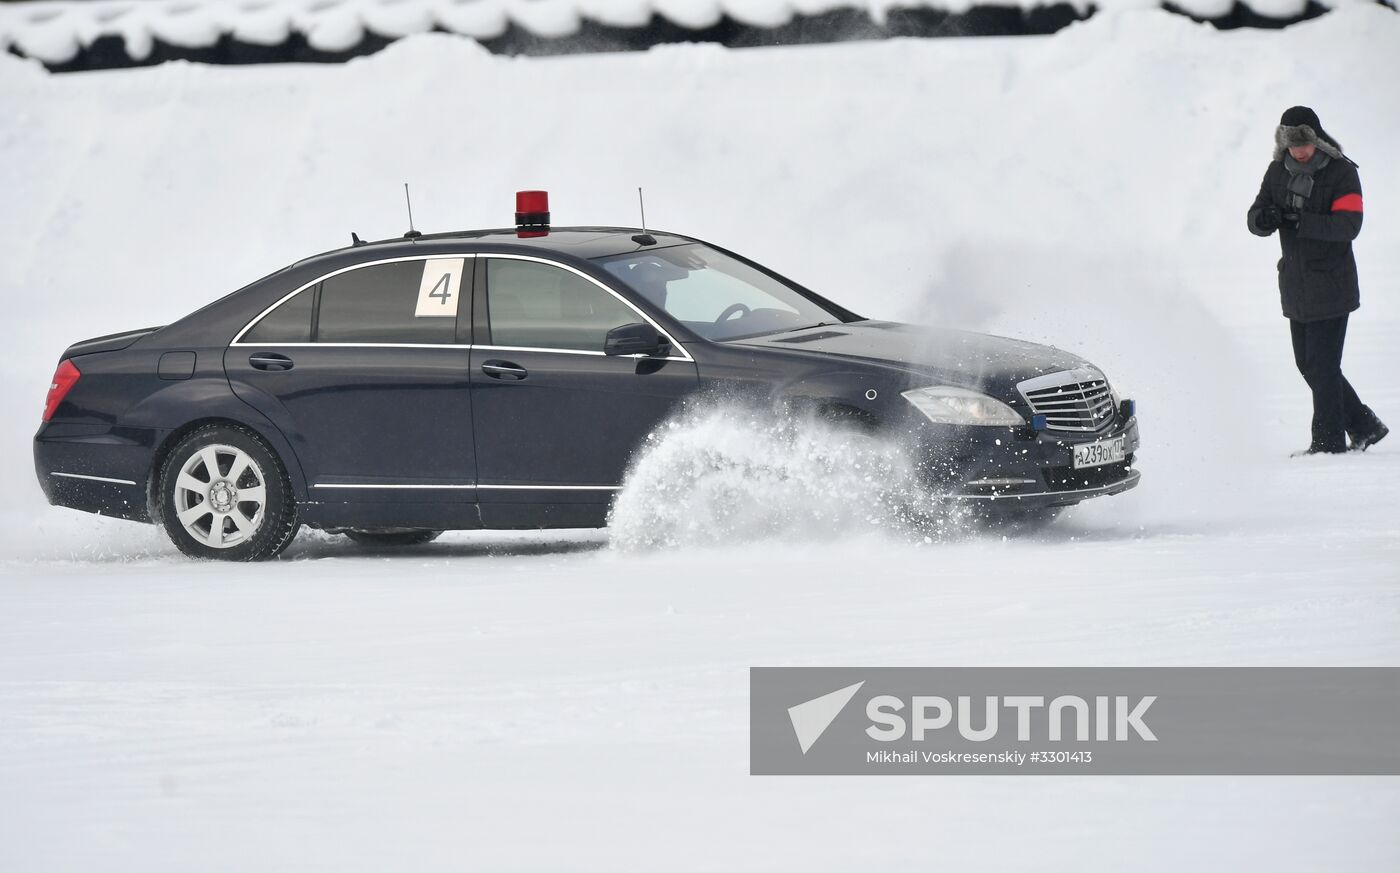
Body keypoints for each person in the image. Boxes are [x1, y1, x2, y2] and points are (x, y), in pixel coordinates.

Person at [1247, 106, 1388, 455]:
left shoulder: (1341, 172)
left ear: (1317, 138)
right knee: (1309, 365)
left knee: (1323, 367)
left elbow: (1349, 225)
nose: (1300, 152)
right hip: (1296, 285)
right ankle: (1364, 425)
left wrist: (1302, 221)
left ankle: (1327, 444)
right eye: (1293, 146)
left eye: (1305, 145)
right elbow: (1254, 216)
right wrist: (1264, 219)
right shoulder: (1277, 171)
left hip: (1332, 284)